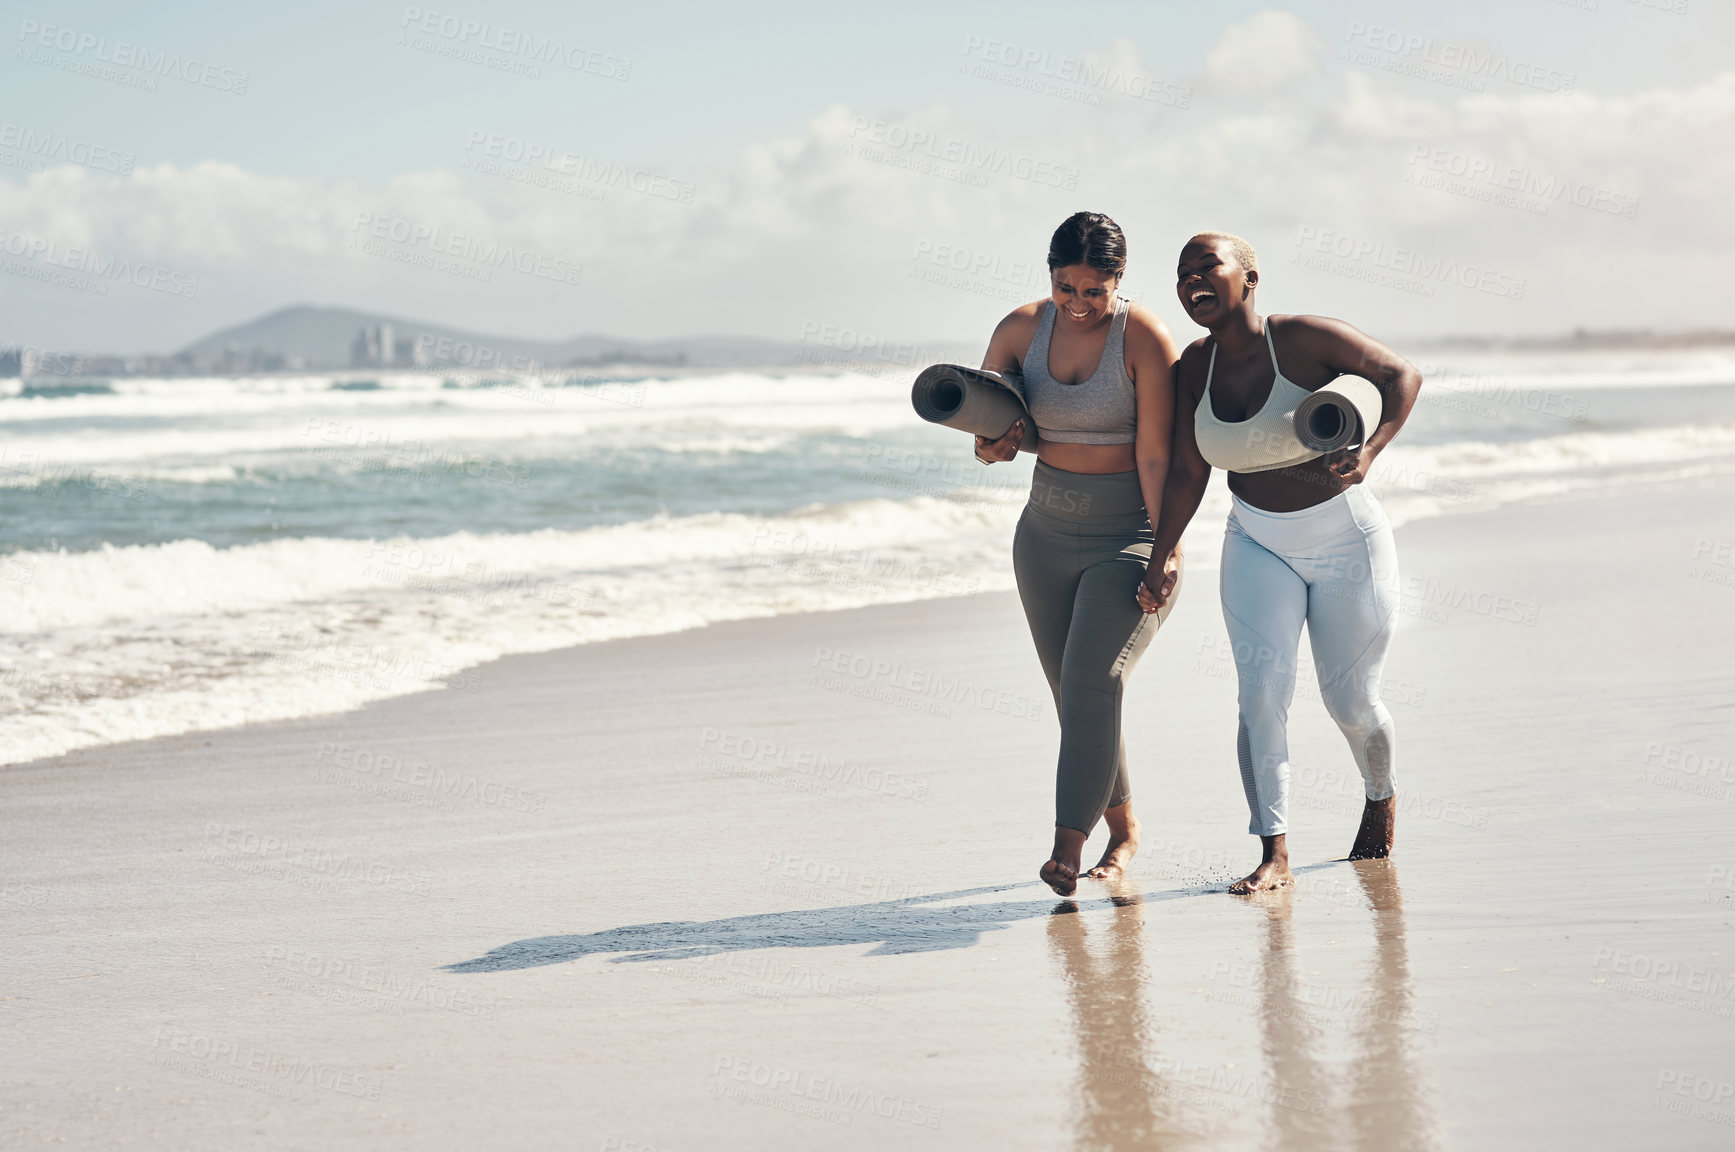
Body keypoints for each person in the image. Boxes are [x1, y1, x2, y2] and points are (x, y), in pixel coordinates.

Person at [1138, 231, 1422, 893]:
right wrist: (1160, 555)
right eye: (1181, 275)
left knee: (1348, 700)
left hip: (1346, 541)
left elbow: (1398, 375)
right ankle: (1273, 853)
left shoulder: (1300, 339)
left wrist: (1372, 450)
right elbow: (1186, 470)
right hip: (1256, 540)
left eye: (1205, 267)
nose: (1191, 283)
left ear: (1249, 276)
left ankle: (1379, 794)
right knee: (1260, 696)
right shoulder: (1191, 370)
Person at [973, 212, 1183, 897]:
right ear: (1050, 276)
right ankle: (1124, 832)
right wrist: (990, 442)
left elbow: (1158, 451)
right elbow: (987, 429)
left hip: (1129, 534)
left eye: (1094, 291)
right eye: (1066, 287)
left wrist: (1166, 547)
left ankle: (1068, 846)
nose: (1078, 304)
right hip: (1043, 537)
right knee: (1076, 695)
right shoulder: (1016, 331)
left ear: (1118, 282)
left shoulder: (1143, 336)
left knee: (1094, 682)